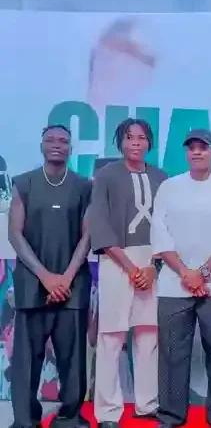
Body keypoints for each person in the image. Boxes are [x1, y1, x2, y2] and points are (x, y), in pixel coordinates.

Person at [151, 129, 211, 428]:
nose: (197, 152)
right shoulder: (169, 187)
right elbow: (160, 233)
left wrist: (201, 272)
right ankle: (171, 416)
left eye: (203, 147)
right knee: (172, 355)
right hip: (173, 283)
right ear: (186, 153)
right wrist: (185, 273)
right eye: (191, 147)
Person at [7, 125, 92, 428]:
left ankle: (69, 417)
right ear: (41, 145)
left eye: (64, 141)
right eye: (51, 140)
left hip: (72, 285)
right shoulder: (24, 183)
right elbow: (15, 234)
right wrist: (45, 276)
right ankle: (25, 419)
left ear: (71, 148)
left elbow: (87, 236)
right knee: (27, 360)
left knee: (73, 360)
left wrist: (66, 277)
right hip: (33, 284)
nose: (57, 145)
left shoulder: (84, 186)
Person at [87, 118, 167, 428]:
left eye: (141, 137)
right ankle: (108, 412)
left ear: (150, 142)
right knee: (111, 337)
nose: (135, 142)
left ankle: (147, 404)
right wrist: (132, 268)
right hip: (116, 260)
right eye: (129, 137)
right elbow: (99, 223)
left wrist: (153, 266)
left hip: (152, 262)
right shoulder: (105, 175)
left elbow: (167, 225)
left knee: (149, 334)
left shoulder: (161, 178)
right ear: (120, 142)